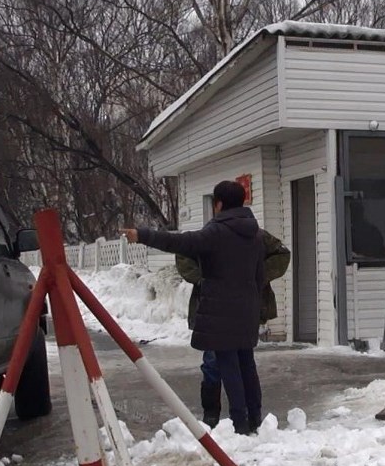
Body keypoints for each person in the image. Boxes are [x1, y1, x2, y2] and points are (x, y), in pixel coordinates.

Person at [123, 180, 265, 435]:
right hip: (247, 308)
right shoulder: (255, 234)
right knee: (246, 364)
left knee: (228, 365)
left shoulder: (217, 232)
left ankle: (240, 425)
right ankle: (255, 419)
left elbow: (178, 242)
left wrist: (142, 235)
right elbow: (259, 275)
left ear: (219, 204)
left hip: (221, 311)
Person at [176, 230, 290, 428]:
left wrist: (258, 275)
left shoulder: (256, 236)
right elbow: (183, 253)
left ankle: (249, 415)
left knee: (244, 362)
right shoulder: (210, 235)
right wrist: (201, 279)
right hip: (213, 308)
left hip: (246, 308)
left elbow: (282, 254)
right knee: (213, 362)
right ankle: (212, 414)